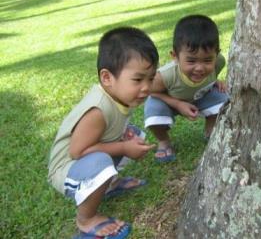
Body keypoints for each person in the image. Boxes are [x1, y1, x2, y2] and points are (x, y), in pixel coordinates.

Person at [47, 27, 158, 238]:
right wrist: (124, 147)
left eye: (151, 79)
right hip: (66, 169)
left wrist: (126, 141)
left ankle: (109, 184)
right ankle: (86, 219)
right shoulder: (98, 109)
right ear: (107, 77)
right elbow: (78, 151)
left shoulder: (120, 95)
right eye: (138, 79)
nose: (146, 88)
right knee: (102, 162)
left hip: (84, 159)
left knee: (132, 133)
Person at [144, 14, 228, 163]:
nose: (200, 68)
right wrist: (177, 104)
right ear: (175, 56)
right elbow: (149, 90)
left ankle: (211, 131)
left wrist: (216, 81)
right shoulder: (165, 75)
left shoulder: (219, 62)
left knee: (224, 100)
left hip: (199, 97)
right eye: (191, 60)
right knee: (153, 111)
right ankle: (163, 141)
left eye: (208, 60)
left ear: (217, 54)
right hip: (170, 102)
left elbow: (211, 76)